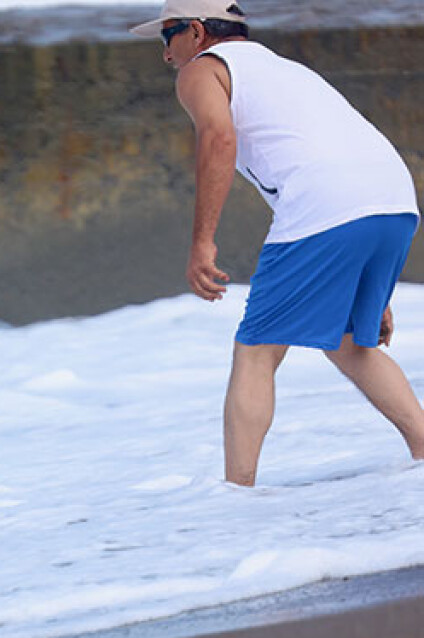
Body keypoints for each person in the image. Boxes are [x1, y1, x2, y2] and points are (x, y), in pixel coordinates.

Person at [130, 0, 423, 486]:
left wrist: (202, 241)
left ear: (197, 33)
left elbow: (218, 141)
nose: (166, 54)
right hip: (394, 200)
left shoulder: (203, 70)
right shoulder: (285, 69)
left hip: (331, 205)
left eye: (168, 36)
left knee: (257, 350)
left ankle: (237, 497)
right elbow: (333, 150)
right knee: (352, 343)